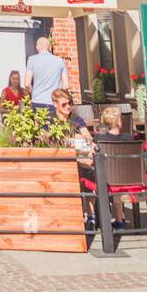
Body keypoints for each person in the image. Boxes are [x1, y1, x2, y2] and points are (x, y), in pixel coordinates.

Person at [52, 88, 96, 228]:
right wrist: (75, 139)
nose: (68, 107)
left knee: (90, 167)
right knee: (87, 163)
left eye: (70, 103)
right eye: (64, 104)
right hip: (60, 161)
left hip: (78, 157)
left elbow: (88, 137)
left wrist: (76, 139)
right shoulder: (51, 121)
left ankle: (91, 216)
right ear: (55, 104)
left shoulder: (75, 119)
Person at [24, 37, 68, 111]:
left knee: (39, 122)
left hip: (37, 101)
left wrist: (33, 93)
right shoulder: (60, 61)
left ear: (37, 47)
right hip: (54, 102)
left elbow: (27, 84)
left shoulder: (32, 60)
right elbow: (66, 86)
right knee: (54, 122)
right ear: (50, 47)